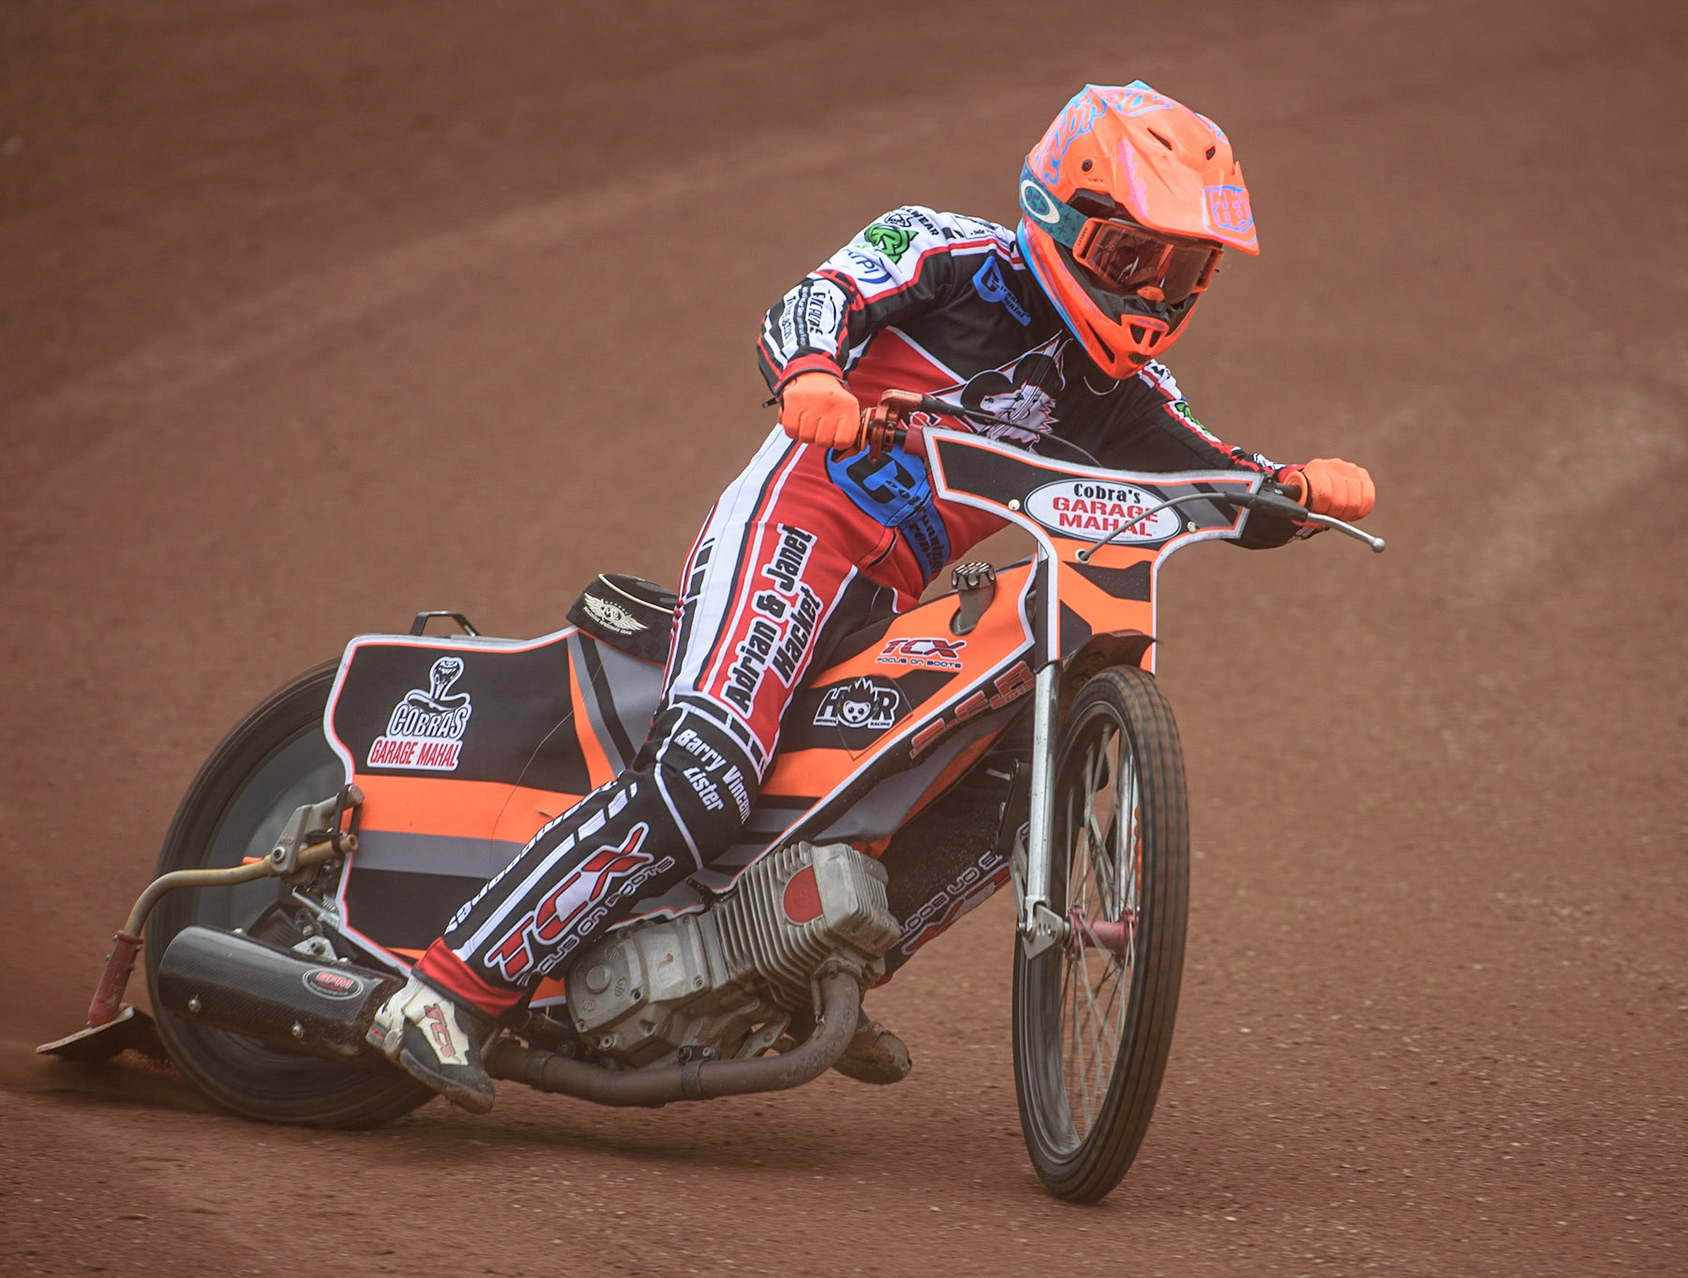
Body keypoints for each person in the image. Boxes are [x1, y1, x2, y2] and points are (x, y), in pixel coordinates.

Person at [365, 81, 1377, 1113]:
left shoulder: (1124, 396)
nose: (1155, 296)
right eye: (1132, 260)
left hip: (883, 596)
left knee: (1009, 776)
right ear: (1063, 218)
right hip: (791, 533)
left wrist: (1293, 491)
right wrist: (812, 375)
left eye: (1186, 271)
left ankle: (804, 965)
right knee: (707, 775)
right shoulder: (943, 249)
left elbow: (1213, 476)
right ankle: (444, 991)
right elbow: (814, 303)